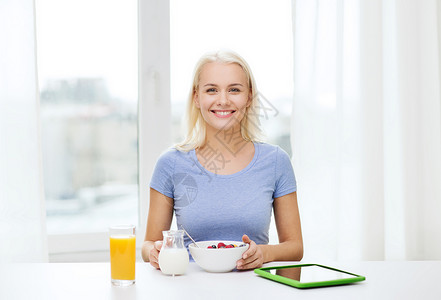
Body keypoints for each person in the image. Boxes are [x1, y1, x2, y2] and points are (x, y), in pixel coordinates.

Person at [141, 50, 303, 270]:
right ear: (197, 97)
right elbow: (148, 245)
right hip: (189, 289)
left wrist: (264, 253)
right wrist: (155, 251)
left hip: (255, 289)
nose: (223, 100)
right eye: (212, 90)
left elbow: (295, 247)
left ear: (249, 97)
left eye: (234, 89)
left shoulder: (276, 161)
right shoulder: (170, 163)